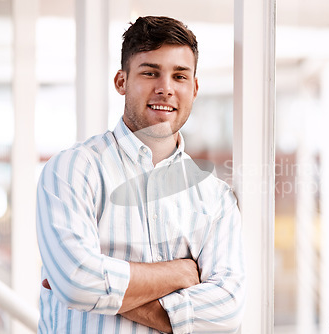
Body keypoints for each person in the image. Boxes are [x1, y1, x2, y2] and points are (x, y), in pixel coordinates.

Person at [36, 16, 245, 334]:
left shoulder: (215, 197)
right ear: (121, 81)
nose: (166, 88)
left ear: (195, 87)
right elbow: (77, 282)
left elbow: (227, 311)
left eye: (180, 76)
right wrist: (180, 273)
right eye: (150, 73)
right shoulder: (72, 170)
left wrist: (97, 290)